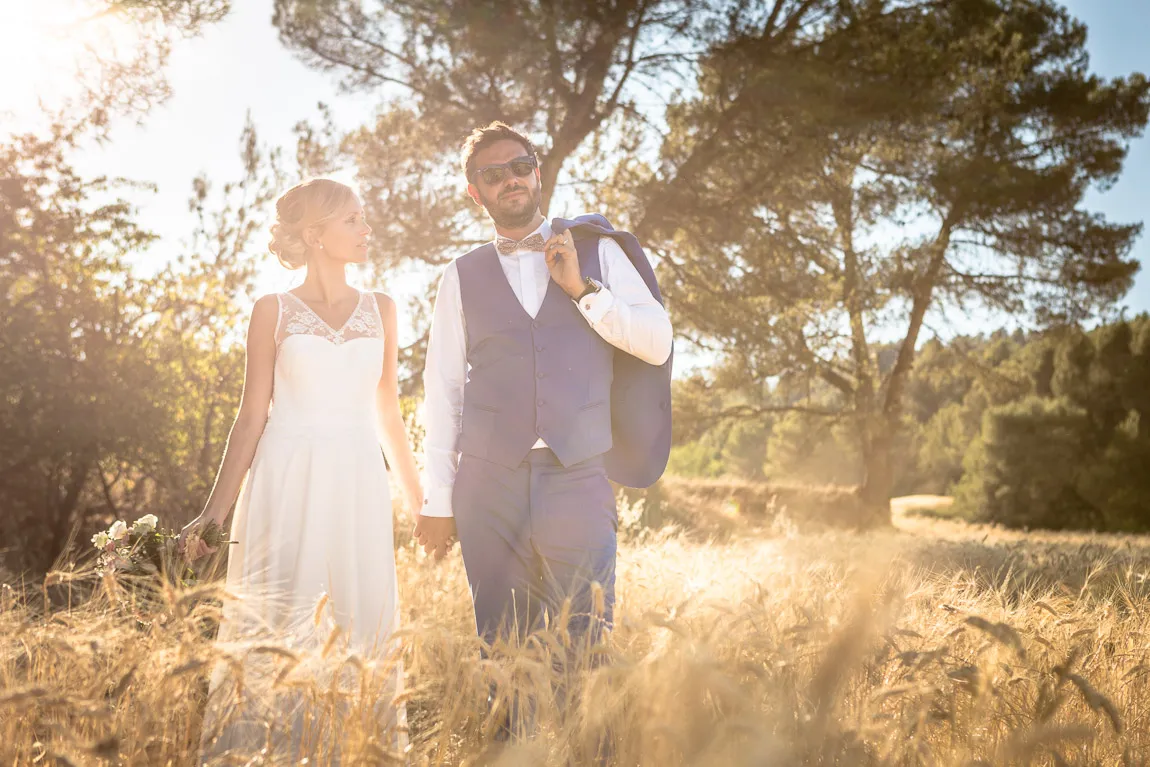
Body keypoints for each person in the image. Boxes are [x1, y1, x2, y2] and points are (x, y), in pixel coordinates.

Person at [419, 121, 673, 726]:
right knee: (503, 649)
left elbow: (657, 343)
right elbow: (443, 390)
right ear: (474, 193)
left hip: (577, 474)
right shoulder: (459, 275)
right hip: (487, 484)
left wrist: (583, 291)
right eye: (492, 173)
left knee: (586, 642)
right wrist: (437, 499)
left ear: (538, 173)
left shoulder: (601, 252)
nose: (510, 178)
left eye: (519, 166)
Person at [178, 178, 424, 762]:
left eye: (365, 218)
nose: (367, 230)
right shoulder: (273, 311)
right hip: (284, 483)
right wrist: (213, 515)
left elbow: (389, 412)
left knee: (358, 623)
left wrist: (422, 504)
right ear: (315, 236)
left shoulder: (383, 309)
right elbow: (250, 418)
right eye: (353, 221)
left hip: (359, 481)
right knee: (281, 619)